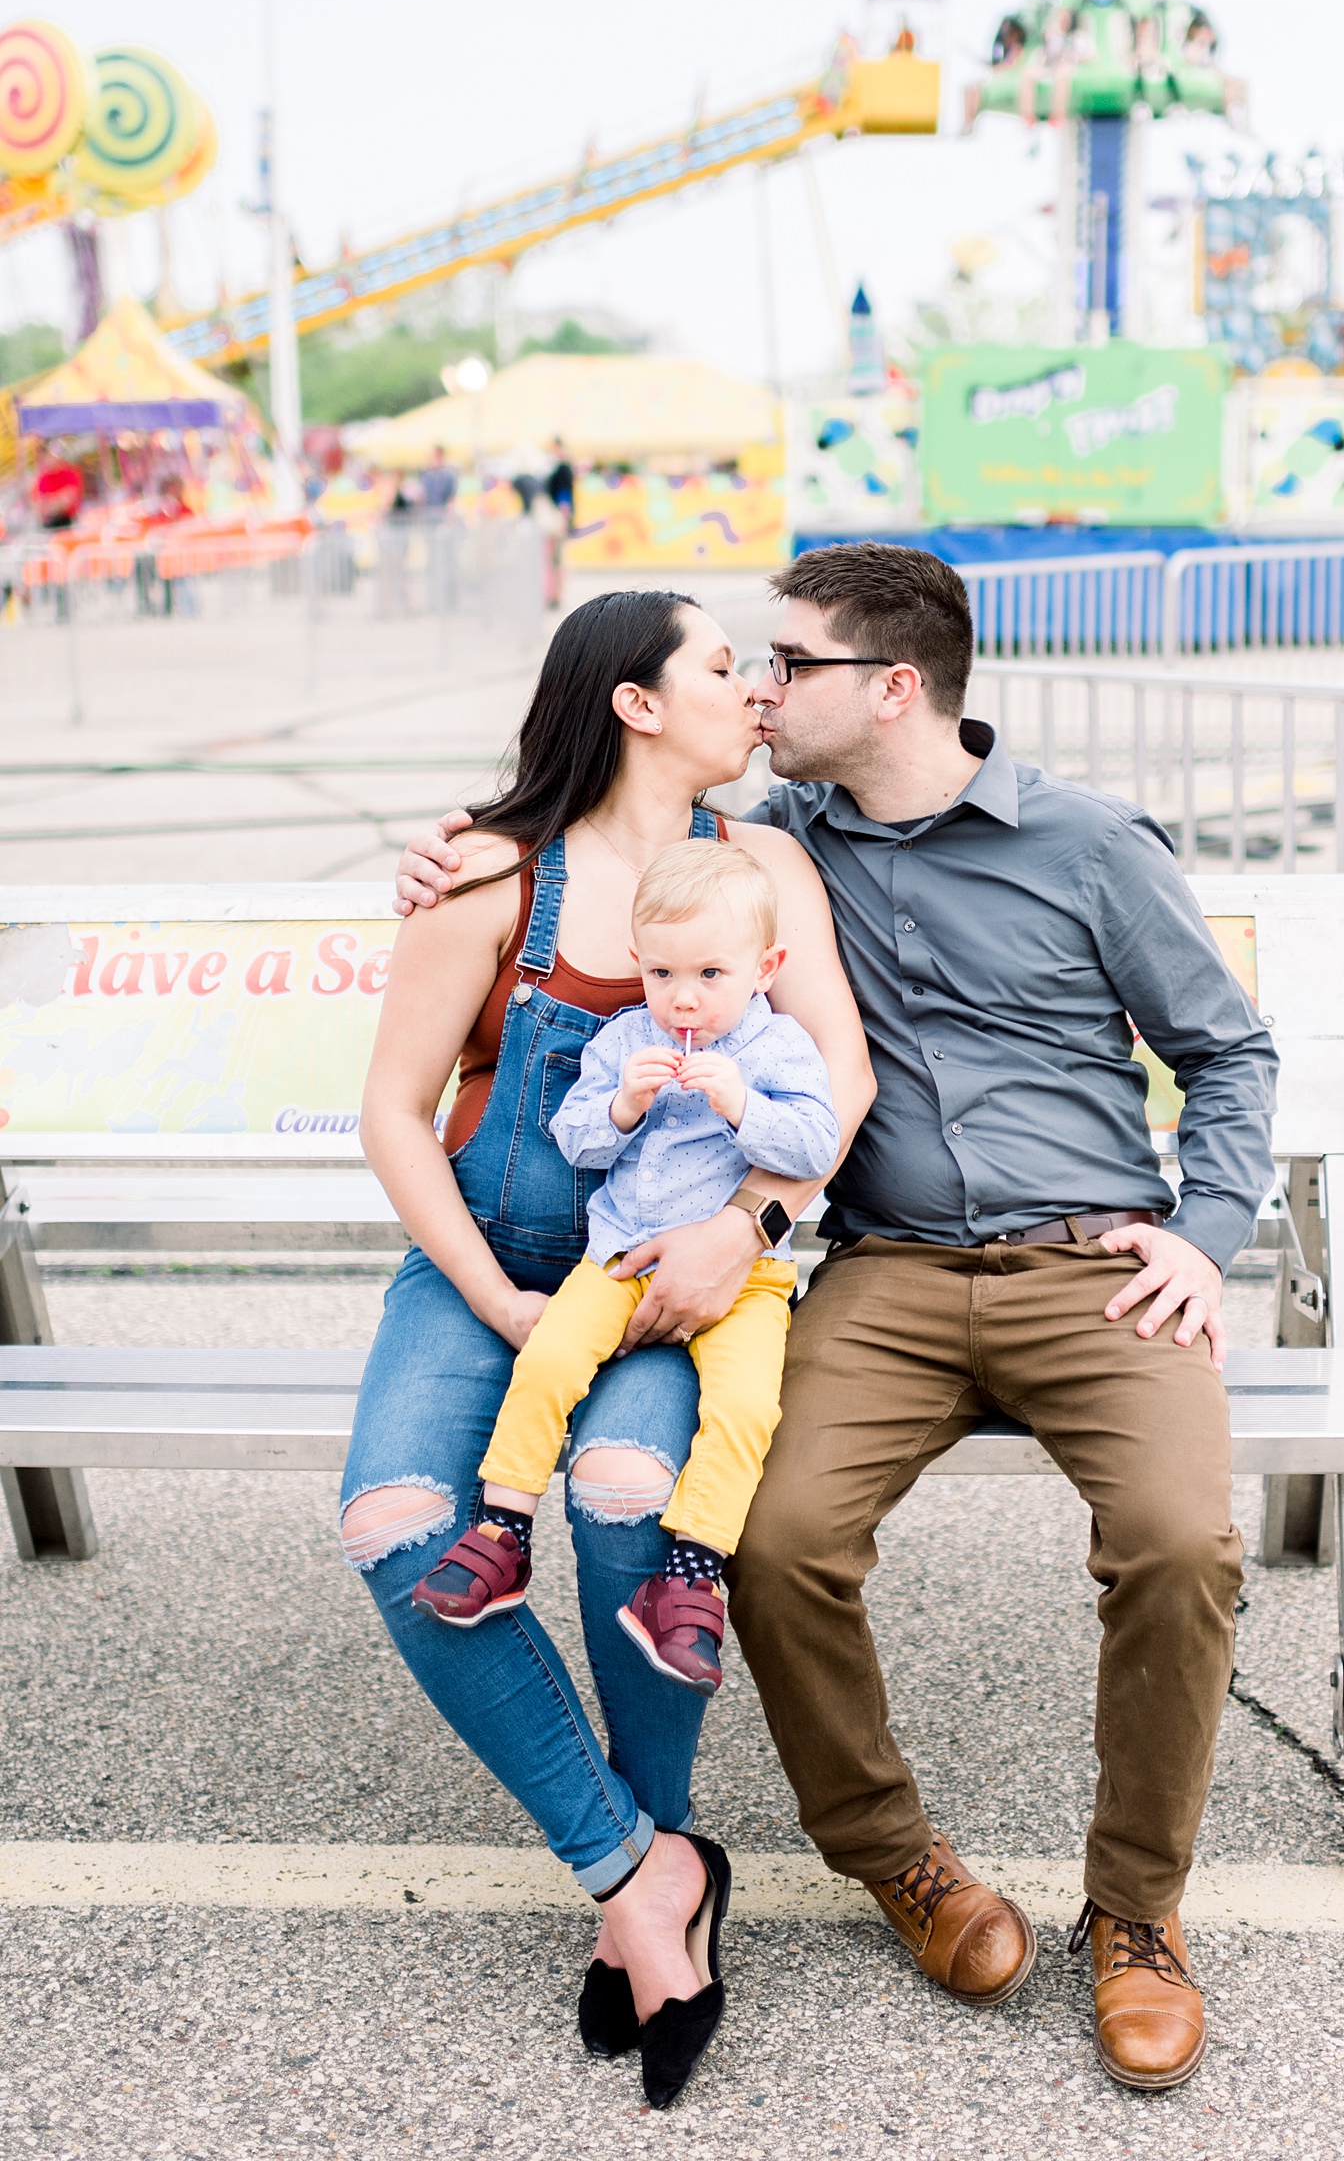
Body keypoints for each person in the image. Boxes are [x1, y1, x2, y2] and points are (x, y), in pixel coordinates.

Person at [395, 542, 1278, 2094]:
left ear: (891, 687)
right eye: (744, 667)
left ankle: (1135, 1912)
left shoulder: (1083, 844)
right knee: (776, 1538)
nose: (756, 686)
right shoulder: (776, 844)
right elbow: (606, 819)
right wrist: (453, 845)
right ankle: (898, 1858)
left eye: (785, 666)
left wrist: (1205, 1235)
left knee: (1183, 1544)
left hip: (1092, 1262)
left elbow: (1227, 1055)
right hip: (882, 1267)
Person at [354, 587, 874, 2109]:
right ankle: (640, 1873)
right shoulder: (489, 872)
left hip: (679, 1278)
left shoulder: (766, 862)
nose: (755, 694)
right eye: (724, 669)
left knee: (630, 1494)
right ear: (638, 704)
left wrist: (751, 1232)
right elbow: (394, 1112)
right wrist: (503, 1303)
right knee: (397, 1528)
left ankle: (651, 1876)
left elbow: (832, 1076)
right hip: (491, 1274)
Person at [411, 838, 839, 1703]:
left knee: (750, 1406)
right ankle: (503, 1529)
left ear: (767, 967)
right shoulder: (623, 1038)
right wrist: (624, 1103)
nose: (683, 997)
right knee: (551, 1362)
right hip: (616, 1258)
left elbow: (814, 1146)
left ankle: (689, 1573)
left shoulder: (779, 1049)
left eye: (711, 974)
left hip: (745, 1281)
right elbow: (575, 1139)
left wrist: (741, 1104)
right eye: (662, 974)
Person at [546, 436, 575, 527]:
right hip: (559, 490)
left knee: (564, 512)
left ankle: (565, 528)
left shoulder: (562, 458)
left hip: (562, 489)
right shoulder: (556, 458)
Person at [419, 444, 458, 513]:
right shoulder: (425, 476)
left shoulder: (448, 476)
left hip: (442, 514)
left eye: (434, 456)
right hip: (428, 514)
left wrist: (448, 519)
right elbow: (422, 497)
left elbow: (452, 499)